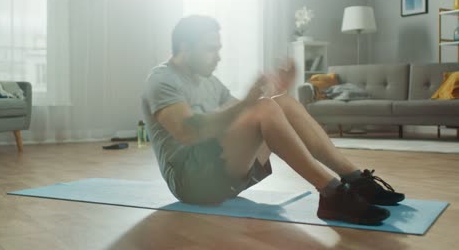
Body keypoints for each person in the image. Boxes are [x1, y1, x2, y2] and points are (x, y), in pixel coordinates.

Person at [141, 15, 404, 225]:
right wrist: (251, 103)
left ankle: (355, 179)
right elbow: (188, 133)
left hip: (218, 170)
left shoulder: (208, 80)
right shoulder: (163, 80)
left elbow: (241, 118)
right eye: (210, 49)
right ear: (185, 47)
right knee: (265, 107)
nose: (218, 57)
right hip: (191, 182)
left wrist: (276, 90)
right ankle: (332, 193)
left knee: (282, 103)